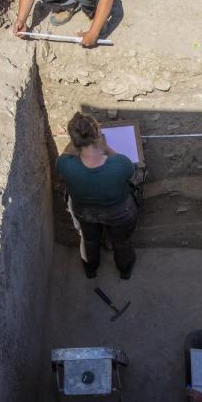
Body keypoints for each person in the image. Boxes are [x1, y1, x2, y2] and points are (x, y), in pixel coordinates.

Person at [56, 112, 138, 279]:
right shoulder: (119, 164)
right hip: (118, 212)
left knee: (89, 240)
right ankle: (125, 270)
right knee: (121, 242)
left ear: (74, 139)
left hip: (84, 212)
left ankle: (90, 269)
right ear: (97, 135)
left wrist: (78, 141)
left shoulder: (64, 164)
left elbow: (66, 153)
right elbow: (130, 172)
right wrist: (105, 147)